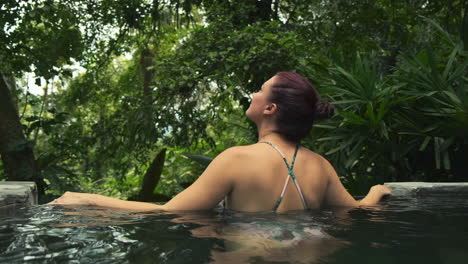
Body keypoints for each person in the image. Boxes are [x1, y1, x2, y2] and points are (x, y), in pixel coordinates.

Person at [49, 72, 391, 212]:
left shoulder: (237, 160)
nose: (253, 94)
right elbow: (358, 209)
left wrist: (87, 199)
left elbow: (167, 214)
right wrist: (377, 191)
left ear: (270, 108)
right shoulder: (321, 166)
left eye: (260, 90)